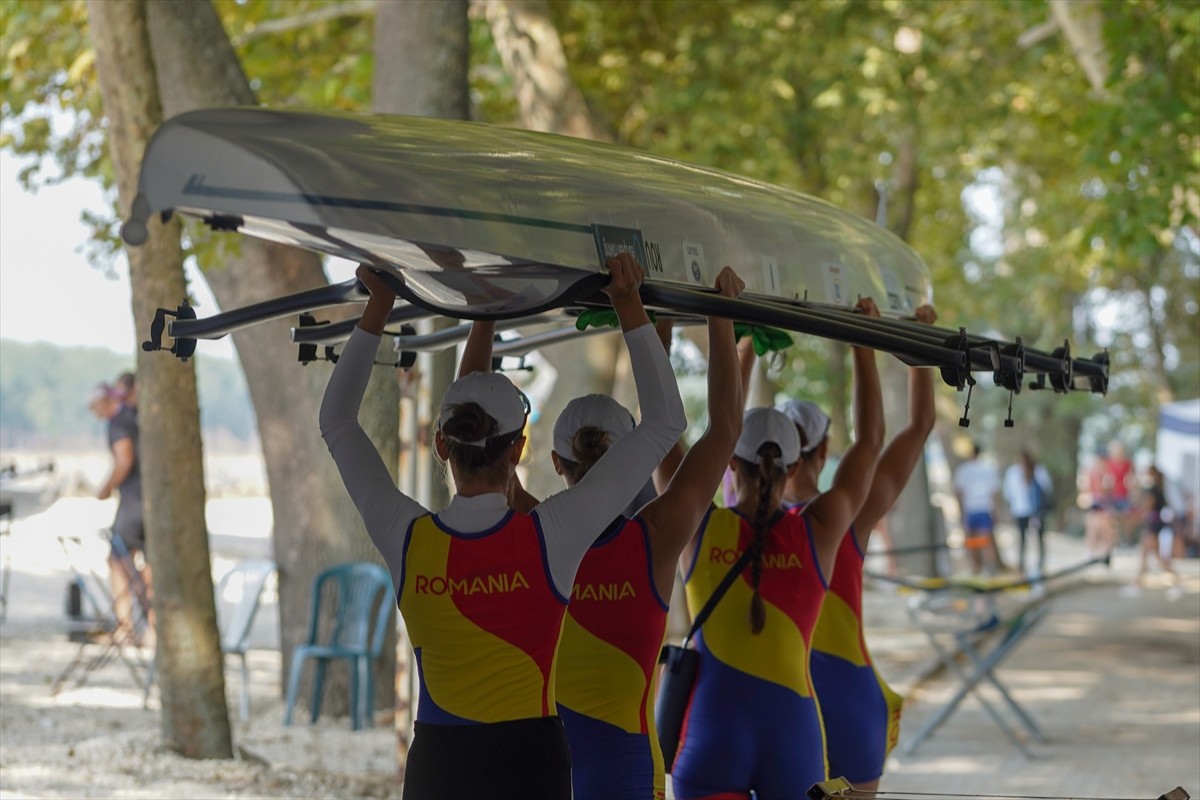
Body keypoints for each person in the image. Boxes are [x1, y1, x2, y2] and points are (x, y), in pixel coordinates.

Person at [319, 255, 685, 800]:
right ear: (518, 450)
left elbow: (336, 422)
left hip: (439, 769)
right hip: (529, 765)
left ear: (441, 445)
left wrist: (380, 305)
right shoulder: (551, 534)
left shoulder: (408, 538)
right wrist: (628, 303)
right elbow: (664, 424)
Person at [670, 298, 884, 800]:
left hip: (710, 735)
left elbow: (664, 431)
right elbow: (870, 441)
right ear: (795, 468)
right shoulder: (819, 528)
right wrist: (864, 341)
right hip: (795, 737)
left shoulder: (699, 523)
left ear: (730, 464)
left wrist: (723, 323)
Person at [807, 303, 937, 793]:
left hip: (771, 706)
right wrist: (895, 342)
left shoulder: (736, 521)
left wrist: (742, 347)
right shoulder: (846, 517)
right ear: (824, 451)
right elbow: (918, 426)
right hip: (849, 702)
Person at [94, 374, 153, 648]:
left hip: (133, 501)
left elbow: (124, 459)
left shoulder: (119, 422)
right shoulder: (144, 418)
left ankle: (125, 627)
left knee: (119, 560)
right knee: (148, 564)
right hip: (152, 500)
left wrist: (106, 488)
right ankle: (153, 629)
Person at [1124, 465, 1179, 598]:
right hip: (1154, 526)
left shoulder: (1154, 490)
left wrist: (1133, 520)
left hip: (1153, 527)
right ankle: (1138, 583)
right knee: (1148, 555)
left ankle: (1175, 583)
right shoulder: (1159, 489)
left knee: (1155, 556)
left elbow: (1146, 507)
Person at [1003, 450, 1053, 578]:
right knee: (1024, 539)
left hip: (1034, 511)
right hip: (1022, 510)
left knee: (1035, 538)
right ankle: (1023, 565)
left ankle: (1038, 565)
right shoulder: (1013, 472)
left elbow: (1046, 489)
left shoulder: (1038, 471)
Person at [953, 442, 1001, 575]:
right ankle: (984, 568)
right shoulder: (985, 469)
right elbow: (994, 492)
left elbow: (959, 492)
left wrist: (961, 510)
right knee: (980, 541)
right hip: (981, 508)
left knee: (977, 541)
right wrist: (996, 510)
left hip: (974, 509)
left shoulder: (965, 470)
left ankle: (980, 568)